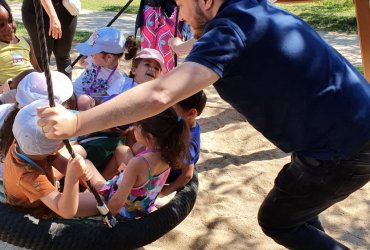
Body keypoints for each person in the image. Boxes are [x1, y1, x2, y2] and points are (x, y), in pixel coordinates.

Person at [37, 0, 370, 249]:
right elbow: (239, 46)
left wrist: (77, 121)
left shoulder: (230, 29)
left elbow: (161, 94)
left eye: (181, 4)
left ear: (207, 2)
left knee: (278, 220)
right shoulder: (250, 12)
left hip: (343, 146)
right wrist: (188, 46)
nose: (179, 14)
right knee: (299, 208)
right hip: (343, 130)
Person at [3, 100, 104, 219]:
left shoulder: (26, 144)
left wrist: (81, 174)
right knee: (102, 200)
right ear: (52, 149)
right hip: (43, 207)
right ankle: (110, 197)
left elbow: (61, 164)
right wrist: (73, 177)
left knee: (86, 164)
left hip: (37, 188)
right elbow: (66, 211)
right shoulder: (29, 176)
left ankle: (104, 188)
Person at [99, 107, 190, 218]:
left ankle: (100, 188)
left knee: (87, 165)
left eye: (138, 126)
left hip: (119, 209)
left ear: (150, 137)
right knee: (122, 150)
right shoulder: (169, 155)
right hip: (140, 209)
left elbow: (117, 202)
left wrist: (105, 222)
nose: (134, 128)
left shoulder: (138, 162)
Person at [73, 27, 138, 111]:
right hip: (73, 95)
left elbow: (106, 103)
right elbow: (81, 62)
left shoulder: (119, 78)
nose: (91, 55)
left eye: (93, 53)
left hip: (88, 107)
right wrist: (88, 48)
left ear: (109, 57)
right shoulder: (93, 60)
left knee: (83, 101)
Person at [159, 90, 206, 198]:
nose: (168, 108)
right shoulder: (187, 123)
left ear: (191, 113)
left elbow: (187, 174)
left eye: (172, 107)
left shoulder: (187, 141)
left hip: (169, 172)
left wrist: (164, 191)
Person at [22, 0, 77, 79]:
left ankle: (67, 88)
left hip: (67, 8)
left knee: (63, 54)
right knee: (42, 56)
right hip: (38, 10)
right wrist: (53, 16)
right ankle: (40, 89)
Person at [136, 0, 192, 74]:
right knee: (146, 56)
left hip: (174, 11)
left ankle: (162, 84)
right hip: (150, 7)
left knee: (165, 62)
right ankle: (144, 83)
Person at [0, 0, 41, 92]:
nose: (9, 27)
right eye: (1, 25)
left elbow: (37, 68)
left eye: (10, 21)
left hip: (32, 85)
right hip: (9, 90)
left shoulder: (25, 41)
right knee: (30, 73)